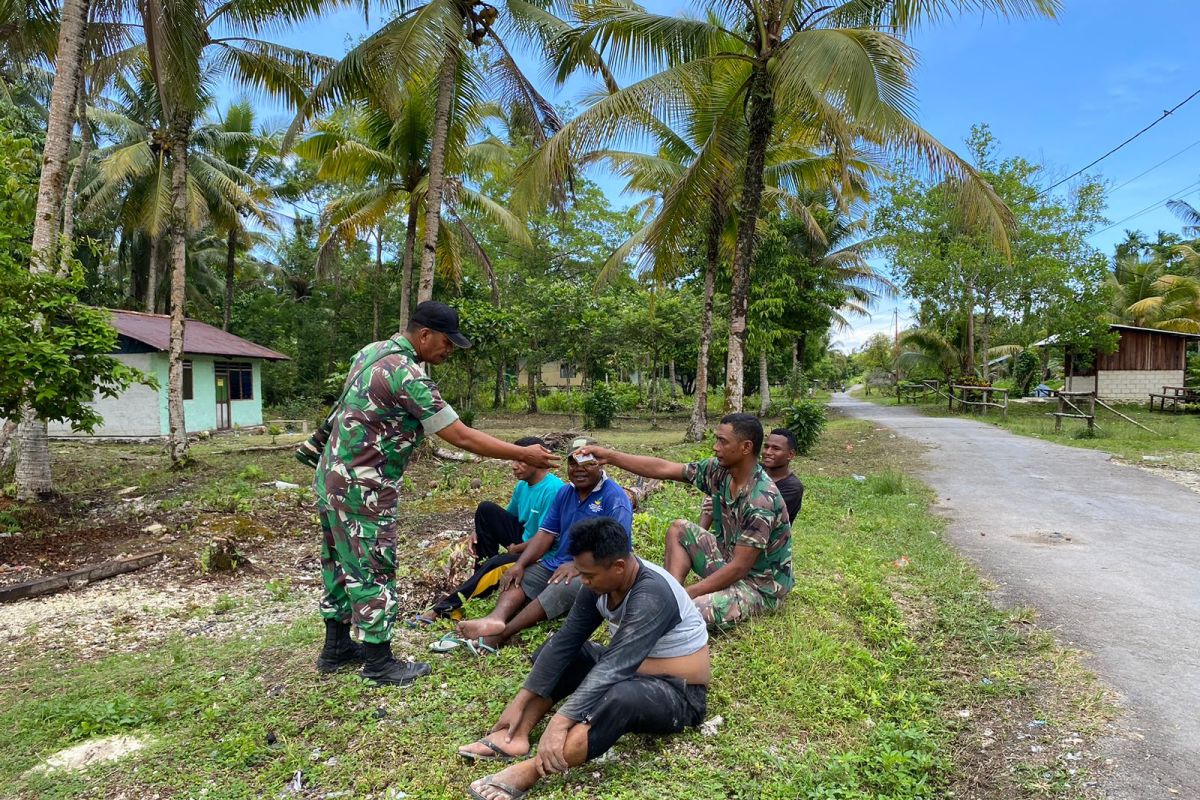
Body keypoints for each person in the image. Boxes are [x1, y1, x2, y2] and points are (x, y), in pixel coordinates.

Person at [313, 301, 559, 686]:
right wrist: (522, 452)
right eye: (446, 343)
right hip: (365, 487)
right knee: (372, 567)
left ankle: (337, 647)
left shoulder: (370, 352)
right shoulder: (407, 375)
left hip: (332, 478)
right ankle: (378, 663)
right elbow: (460, 435)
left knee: (337, 562)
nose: (449, 351)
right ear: (424, 334)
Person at [459, 517, 709, 800]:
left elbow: (615, 668)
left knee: (619, 696)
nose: (584, 581)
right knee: (562, 650)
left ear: (618, 567)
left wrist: (561, 722)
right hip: (630, 663)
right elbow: (568, 639)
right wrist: (521, 699)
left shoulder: (651, 594)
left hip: (679, 691)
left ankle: (531, 770)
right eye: (582, 573)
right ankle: (516, 734)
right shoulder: (600, 583)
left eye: (589, 576)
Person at [578, 413, 792, 630]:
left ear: (746, 447)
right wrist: (610, 456)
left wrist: (689, 594)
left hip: (757, 585)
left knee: (686, 612)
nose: (716, 447)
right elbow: (665, 469)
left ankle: (673, 599)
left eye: (722, 441)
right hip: (727, 560)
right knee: (679, 529)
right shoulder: (719, 471)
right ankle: (669, 589)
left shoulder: (761, 499)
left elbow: (739, 568)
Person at [455, 438, 633, 651]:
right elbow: (546, 534)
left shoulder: (614, 498)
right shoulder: (565, 493)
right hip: (555, 562)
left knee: (562, 584)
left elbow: (617, 545)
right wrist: (520, 564)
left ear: (601, 464)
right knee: (519, 576)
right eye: (573, 463)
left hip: (596, 569)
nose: (579, 469)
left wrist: (578, 566)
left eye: (587, 462)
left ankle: (502, 634)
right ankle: (495, 619)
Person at [415, 437, 565, 623]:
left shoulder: (554, 490)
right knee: (486, 509)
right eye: (513, 459)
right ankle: (481, 574)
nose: (513, 466)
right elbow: (506, 516)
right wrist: (478, 531)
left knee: (495, 563)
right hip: (524, 539)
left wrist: (517, 550)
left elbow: (547, 539)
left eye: (520, 460)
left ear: (538, 461)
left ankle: (442, 609)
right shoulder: (522, 485)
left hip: (540, 552)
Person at [699, 427, 803, 528]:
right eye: (766, 447)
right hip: (733, 532)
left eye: (776, 449)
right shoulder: (755, 470)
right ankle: (700, 534)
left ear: (790, 455)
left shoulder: (792, 487)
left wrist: (720, 505)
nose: (768, 452)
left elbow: (762, 516)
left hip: (763, 538)